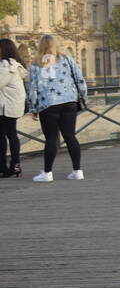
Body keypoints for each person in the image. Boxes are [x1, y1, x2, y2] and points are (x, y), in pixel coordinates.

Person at [26, 34, 86, 183]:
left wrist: (33, 107)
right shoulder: (66, 59)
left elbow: (32, 87)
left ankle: (47, 173)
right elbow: (79, 79)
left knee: (51, 138)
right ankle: (77, 170)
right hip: (68, 101)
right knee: (70, 136)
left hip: (48, 104)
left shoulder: (36, 63)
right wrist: (83, 96)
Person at [0, 39, 29, 177]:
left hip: (5, 107)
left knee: (3, 136)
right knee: (11, 134)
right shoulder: (15, 65)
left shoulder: (6, 66)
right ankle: (15, 164)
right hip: (13, 105)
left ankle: (4, 167)